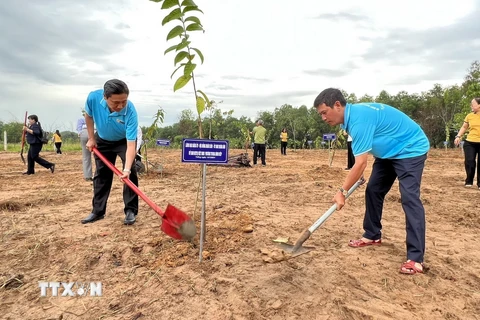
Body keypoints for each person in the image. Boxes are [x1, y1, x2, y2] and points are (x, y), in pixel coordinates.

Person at [313, 88, 430, 275]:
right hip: (388, 154)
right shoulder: (350, 119)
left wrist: (342, 191)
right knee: (373, 190)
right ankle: (372, 235)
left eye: (324, 113)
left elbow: (360, 163)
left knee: (409, 198)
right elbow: (361, 157)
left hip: (410, 149)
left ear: (337, 105)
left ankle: (415, 259)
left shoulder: (359, 120)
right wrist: (355, 174)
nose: (323, 118)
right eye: (321, 115)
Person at [81, 79, 139, 225]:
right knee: (101, 174)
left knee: (130, 172)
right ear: (105, 97)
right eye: (116, 102)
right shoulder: (93, 98)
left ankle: (130, 210)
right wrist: (91, 138)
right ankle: (98, 211)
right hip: (103, 140)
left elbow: (131, 144)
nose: (120, 106)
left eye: (124, 101)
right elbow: (88, 116)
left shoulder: (130, 111)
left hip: (123, 141)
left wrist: (125, 170)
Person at [454, 97, 480, 189]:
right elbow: (464, 127)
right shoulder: (469, 116)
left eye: (473, 104)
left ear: (479, 105)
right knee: (469, 161)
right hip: (470, 142)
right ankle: (469, 180)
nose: (471, 106)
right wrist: (458, 136)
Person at [77, 111, 93, 181]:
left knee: (86, 156)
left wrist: (81, 134)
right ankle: (100, 175)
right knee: (99, 156)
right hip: (94, 131)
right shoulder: (95, 117)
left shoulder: (80, 119)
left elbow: (79, 130)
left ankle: (87, 176)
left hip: (83, 133)